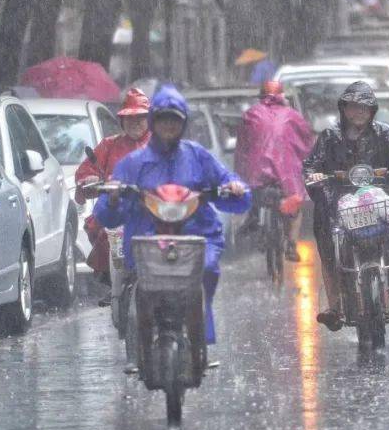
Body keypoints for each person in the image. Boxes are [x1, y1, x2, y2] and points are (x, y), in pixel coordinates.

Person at [94, 85, 249, 347]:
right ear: (154, 122)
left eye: (174, 120)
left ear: (183, 123)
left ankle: (202, 326)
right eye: (163, 119)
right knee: (140, 283)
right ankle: (139, 337)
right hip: (146, 238)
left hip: (197, 236)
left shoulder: (197, 156)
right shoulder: (133, 163)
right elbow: (107, 214)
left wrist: (234, 188)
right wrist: (112, 198)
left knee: (208, 268)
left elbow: (231, 186)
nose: (168, 126)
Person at [304, 81, 389, 330]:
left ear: (372, 111)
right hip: (340, 203)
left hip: (380, 201)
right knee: (328, 244)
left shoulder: (385, 133)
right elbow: (311, 164)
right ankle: (334, 306)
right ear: (344, 109)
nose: (359, 112)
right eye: (354, 107)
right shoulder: (330, 136)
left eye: (365, 108)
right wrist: (315, 175)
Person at [75, 87, 151, 286]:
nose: (135, 122)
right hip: (117, 209)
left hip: (153, 209)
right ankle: (112, 277)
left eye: (141, 117)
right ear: (122, 121)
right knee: (102, 230)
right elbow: (86, 172)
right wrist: (90, 178)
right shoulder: (108, 145)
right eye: (130, 118)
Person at [234, 79, 315, 261]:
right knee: (294, 207)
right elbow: (306, 140)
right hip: (286, 174)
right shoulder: (293, 116)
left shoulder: (251, 114)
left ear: (261, 96)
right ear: (281, 96)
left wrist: (241, 169)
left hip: (258, 173)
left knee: (254, 194)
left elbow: (242, 145)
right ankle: (292, 246)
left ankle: (253, 219)